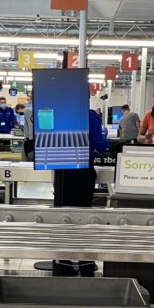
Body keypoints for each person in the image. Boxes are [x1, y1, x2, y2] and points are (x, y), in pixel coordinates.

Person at [53, 109, 109, 276]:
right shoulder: (90, 115)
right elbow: (100, 145)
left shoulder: (58, 113)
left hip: (62, 171)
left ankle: (63, 264)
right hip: (83, 170)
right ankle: (85, 263)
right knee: (84, 218)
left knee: (63, 218)